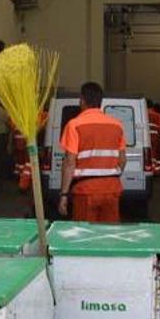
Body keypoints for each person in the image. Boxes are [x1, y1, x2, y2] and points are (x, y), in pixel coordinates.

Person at [58, 82, 126, 222]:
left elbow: (70, 163)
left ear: (82, 100)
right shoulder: (117, 125)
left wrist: (64, 194)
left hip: (85, 191)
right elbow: (123, 159)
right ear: (100, 102)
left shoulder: (74, 125)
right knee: (109, 236)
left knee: (85, 238)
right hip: (111, 189)